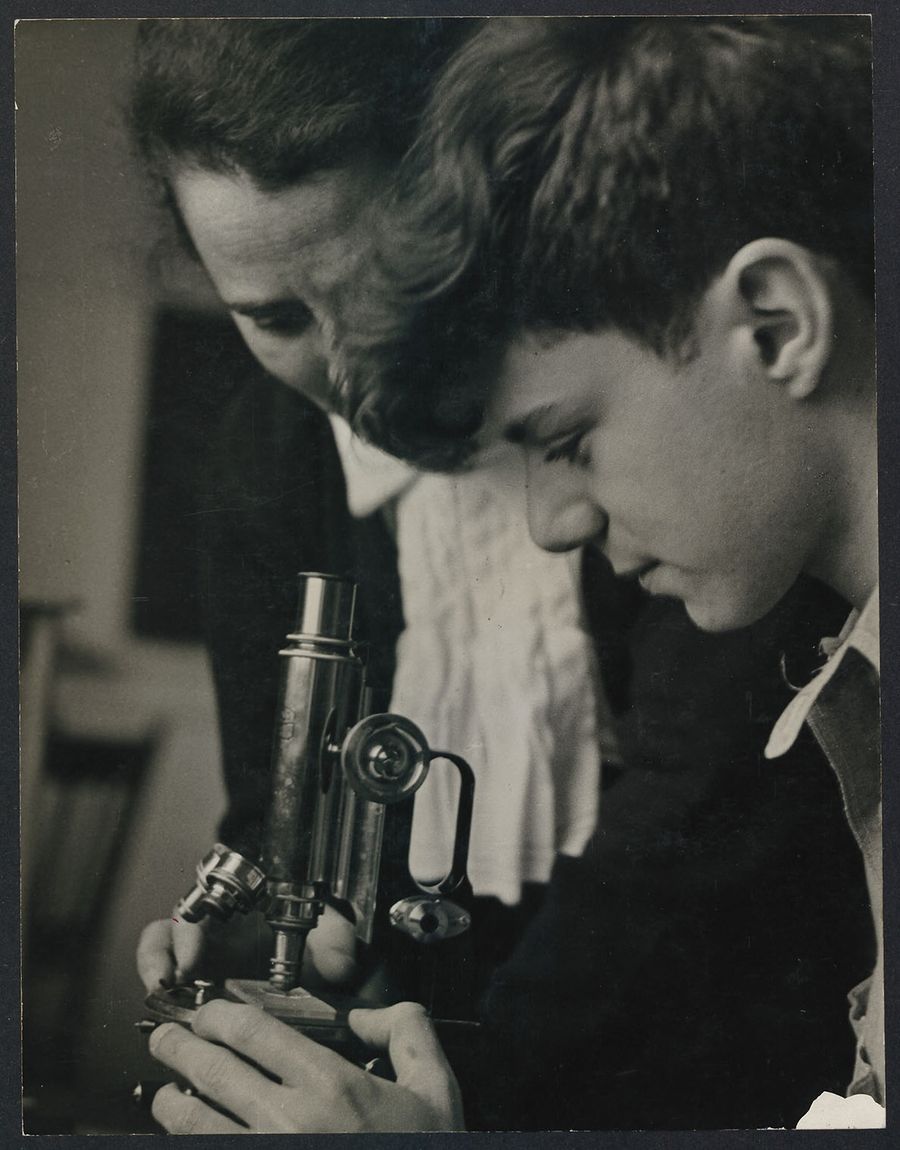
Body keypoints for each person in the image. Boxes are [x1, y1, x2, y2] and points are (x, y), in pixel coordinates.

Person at [138, 16, 878, 1132]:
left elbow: (700, 824)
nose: (347, 362)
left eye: (563, 442)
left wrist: (455, 1109)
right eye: (275, 318)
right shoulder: (260, 464)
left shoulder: (698, 448)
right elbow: (278, 800)